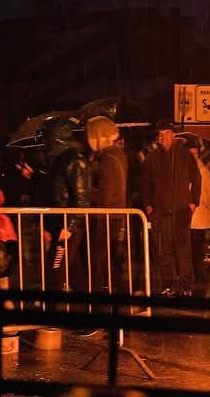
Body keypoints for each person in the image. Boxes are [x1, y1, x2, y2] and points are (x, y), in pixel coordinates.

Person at [140, 120, 200, 296]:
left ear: (173, 135)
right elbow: (145, 183)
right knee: (163, 250)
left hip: (181, 209)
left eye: (165, 133)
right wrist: (148, 205)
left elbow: (196, 179)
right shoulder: (152, 157)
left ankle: (186, 285)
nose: (162, 137)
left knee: (183, 250)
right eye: (160, 134)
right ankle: (168, 284)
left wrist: (194, 201)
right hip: (160, 211)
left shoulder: (185, 155)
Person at [40, 118, 92, 293]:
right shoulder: (59, 160)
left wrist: (69, 225)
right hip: (62, 223)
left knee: (56, 269)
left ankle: (52, 312)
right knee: (73, 271)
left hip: (69, 225)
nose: (44, 142)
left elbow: (81, 198)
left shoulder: (74, 160)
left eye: (46, 136)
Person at [86, 116, 128, 293]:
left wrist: (85, 191)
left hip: (104, 216)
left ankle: (102, 301)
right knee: (107, 260)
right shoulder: (115, 154)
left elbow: (107, 195)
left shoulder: (108, 158)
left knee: (99, 261)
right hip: (113, 215)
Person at [186, 137, 210, 297]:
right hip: (193, 217)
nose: (192, 156)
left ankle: (198, 274)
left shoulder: (202, 172)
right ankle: (196, 274)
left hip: (199, 217)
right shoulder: (191, 171)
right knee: (193, 247)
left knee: (196, 248)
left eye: (194, 154)